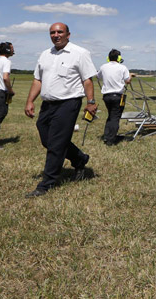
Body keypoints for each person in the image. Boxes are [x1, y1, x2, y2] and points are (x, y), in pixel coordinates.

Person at [24, 23, 98, 198]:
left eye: (60, 32)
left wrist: (91, 102)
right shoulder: (45, 54)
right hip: (48, 104)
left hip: (68, 103)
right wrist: (29, 101)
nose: (56, 35)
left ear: (68, 34)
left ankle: (46, 183)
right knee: (47, 139)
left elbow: (87, 80)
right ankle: (80, 159)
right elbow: (37, 80)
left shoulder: (80, 53)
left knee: (56, 144)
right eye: (52, 32)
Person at [96, 48, 132, 145]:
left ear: (108, 58)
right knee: (115, 117)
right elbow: (127, 81)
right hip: (117, 96)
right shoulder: (122, 67)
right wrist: (131, 76)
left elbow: (98, 76)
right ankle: (111, 140)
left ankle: (107, 136)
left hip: (106, 96)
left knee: (111, 116)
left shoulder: (103, 67)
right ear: (119, 57)